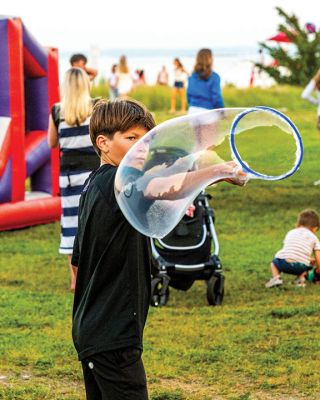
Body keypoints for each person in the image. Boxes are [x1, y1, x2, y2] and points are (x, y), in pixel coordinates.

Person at [71, 98, 247, 399]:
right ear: (102, 142)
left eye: (145, 140)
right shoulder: (118, 183)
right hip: (112, 335)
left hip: (92, 328)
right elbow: (167, 186)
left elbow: (76, 264)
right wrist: (219, 172)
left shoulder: (94, 185)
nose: (142, 148)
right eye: (131, 138)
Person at [47, 67, 100, 292]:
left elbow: (51, 142)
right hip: (94, 173)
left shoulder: (58, 111)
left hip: (69, 175)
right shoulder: (96, 107)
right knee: (93, 220)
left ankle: (75, 279)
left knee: (71, 225)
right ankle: (95, 274)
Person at [265, 209, 320, 288]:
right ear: (315, 228)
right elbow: (318, 256)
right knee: (309, 265)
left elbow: (291, 249)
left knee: (274, 262)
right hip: (301, 267)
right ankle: (300, 280)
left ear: (297, 224)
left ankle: (276, 278)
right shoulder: (314, 238)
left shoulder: (291, 232)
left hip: (283, 263)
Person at [187, 48, 224, 114]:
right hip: (208, 111)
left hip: (192, 111)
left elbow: (188, 96)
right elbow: (216, 98)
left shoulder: (191, 76)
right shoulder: (214, 76)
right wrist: (221, 112)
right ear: (210, 59)